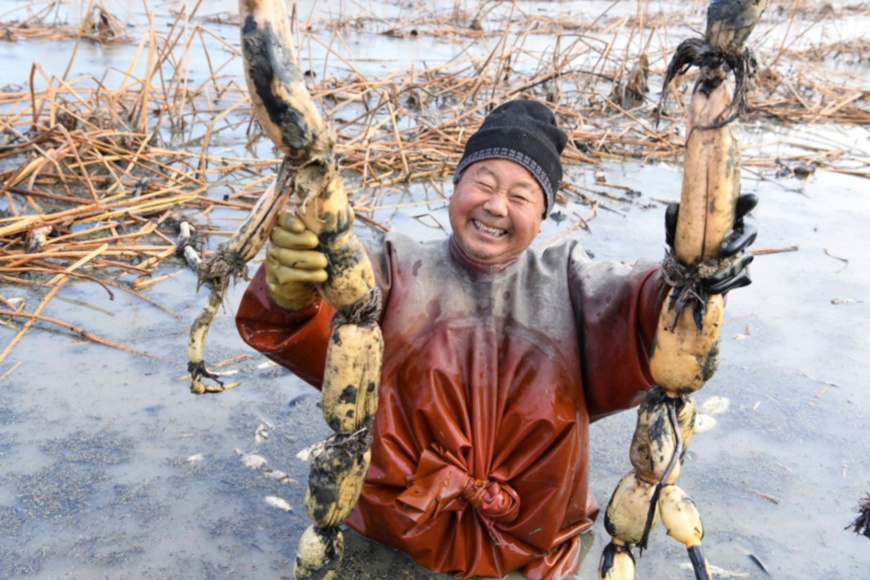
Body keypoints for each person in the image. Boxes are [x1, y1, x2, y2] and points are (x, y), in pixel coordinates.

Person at [235, 99, 754, 579]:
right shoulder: (393, 266)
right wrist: (288, 292)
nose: (496, 205)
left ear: (542, 214)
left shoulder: (572, 282)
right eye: (483, 182)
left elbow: (639, 310)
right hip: (394, 533)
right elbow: (318, 323)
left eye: (521, 195)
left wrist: (689, 277)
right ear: (455, 186)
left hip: (535, 546)